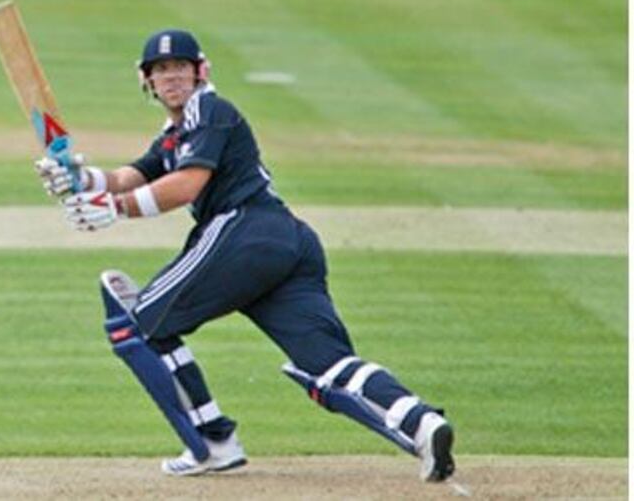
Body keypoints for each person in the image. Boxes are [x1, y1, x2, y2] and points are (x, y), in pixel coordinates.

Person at [34, 29, 456, 481]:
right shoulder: (176, 133)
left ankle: (213, 441)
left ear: (201, 71)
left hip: (245, 230)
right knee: (326, 363)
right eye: (160, 70)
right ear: (147, 80)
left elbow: (187, 185)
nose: (170, 76)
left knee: (137, 325)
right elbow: (132, 174)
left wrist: (112, 209)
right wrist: (79, 179)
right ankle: (422, 423)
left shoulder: (209, 109)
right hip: (286, 243)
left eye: (179, 66)